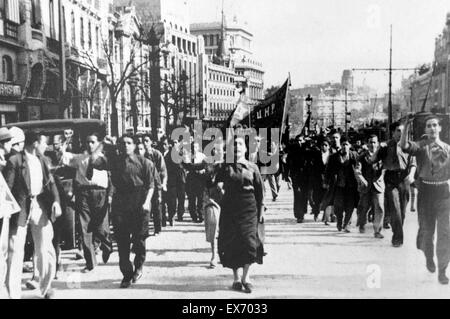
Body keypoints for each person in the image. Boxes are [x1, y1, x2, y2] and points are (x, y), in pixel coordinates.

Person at [3, 131, 62, 299]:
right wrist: (8, 211)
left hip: (40, 206)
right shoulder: (15, 161)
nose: (46, 146)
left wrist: (56, 202)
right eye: (44, 143)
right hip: (20, 208)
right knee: (16, 251)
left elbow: (51, 183)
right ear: (35, 143)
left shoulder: (43, 160)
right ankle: (13, 294)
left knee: (45, 247)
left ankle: (45, 288)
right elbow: (7, 187)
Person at [401, 115, 450, 285]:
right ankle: (429, 256)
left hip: (444, 193)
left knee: (445, 233)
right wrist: (406, 127)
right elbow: (405, 146)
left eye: (435, 125)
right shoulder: (421, 147)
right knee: (427, 232)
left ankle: (443, 270)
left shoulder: (448, 149)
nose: (432, 128)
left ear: (440, 128)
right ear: (426, 130)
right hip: (426, 193)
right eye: (429, 126)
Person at [215, 135, 264, 293]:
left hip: (249, 208)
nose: (237, 147)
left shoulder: (252, 167)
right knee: (232, 242)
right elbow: (214, 184)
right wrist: (220, 191)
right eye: (234, 145)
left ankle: (246, 277)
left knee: (250, 243)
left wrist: (261, 211)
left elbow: (260, 192)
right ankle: (236, 278)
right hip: (230, 208)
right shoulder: (224, 167)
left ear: (245, 148)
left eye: (240, 144)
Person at [61, 133, 113, 273]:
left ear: (99, 143)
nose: (90, 145)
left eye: (93, 142)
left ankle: (107, 244)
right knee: (85, 228)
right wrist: (65, 143)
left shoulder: (105, 159)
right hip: (83, 193)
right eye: (88, 142)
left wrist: (110, 195)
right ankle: (90, 262)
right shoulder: (80, 158)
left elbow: (112, 176)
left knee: (101, 226)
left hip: (99, 193)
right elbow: (65, 157)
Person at [109, 135, 155, 288]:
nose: (125, 146)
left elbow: (150, 185)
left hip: (139, 202)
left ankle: (139, 266)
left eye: (129, 143)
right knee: (122, 240)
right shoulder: (115, 163)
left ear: (135, 145)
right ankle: (126, 274)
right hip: (121, 203)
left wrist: (147, 202)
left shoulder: (145, 163)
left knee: (139, 240)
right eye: (122, 143)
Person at [372, 122, 416, 247]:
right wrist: (378, 149)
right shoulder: (386, 146)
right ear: (392, 132)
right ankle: (397, 239)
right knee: (395, 208)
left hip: (404, 179)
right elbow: (372, 160)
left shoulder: (408, 146)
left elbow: (413, 163)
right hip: (391, 179)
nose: (401, 133)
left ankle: (397, 230)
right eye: (398, 130)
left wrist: (411, 174)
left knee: (402, 211)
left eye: (403, 131)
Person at [325, 137, 359, 232]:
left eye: (347, 144)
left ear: (350, 146)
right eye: (343, 144)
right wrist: (326, 182)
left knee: (350, 206)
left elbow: (359, 168)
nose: (344, 146)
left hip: (351, 186)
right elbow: (328, 170)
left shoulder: (355, 156)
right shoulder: (334, 157)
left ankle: (347, 224)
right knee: (338, 206)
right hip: (338, 186)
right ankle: (339, 221)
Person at [355, 135, 385, 238]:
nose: (372, 144)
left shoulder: (382, 156)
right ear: (367, 144)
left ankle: (377, 231)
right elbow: (358, 171)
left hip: (378, 185)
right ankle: (362, 224)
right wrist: (363, 180)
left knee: (380, 207)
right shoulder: (362, 157)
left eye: (374, 142)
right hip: (366, 186)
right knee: (364, 207)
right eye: (370, 142)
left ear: (377, 143)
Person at [204, 140, 225, 269]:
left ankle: (223, 253)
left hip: (227, 199)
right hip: (212, 198)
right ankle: (214, 255)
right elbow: (193, 167)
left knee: (225, 227)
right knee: (213, 225)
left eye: (219, 149)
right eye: (214, 150)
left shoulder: (229, 165)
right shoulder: (208, 163)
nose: (216, 152)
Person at [143, 135, 167, 233]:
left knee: (157, 205)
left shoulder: (156, 154)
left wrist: (162, 184)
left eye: (146, 141)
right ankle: (144, 229)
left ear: (150, 142)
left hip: (155, 182)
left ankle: (158, 228)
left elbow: (162, 170)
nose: (145, 143)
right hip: (144, 185)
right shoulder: (139, 153)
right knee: (145, 207)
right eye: (143, 141)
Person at [287, 135, 310, 223]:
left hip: (305, 176)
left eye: (301, 140)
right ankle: (298, 214)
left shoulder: (307, 150)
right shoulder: (292, 151)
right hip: (296, 175)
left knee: (304, 195)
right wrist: (287, 175)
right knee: (297, 194)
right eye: (297, 141)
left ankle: (303, 212)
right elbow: (288, 163)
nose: (299, 142)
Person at [163, 139, 186, 225]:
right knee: (172, 200)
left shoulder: (182, 154)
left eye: (176, 143)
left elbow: (187, 165)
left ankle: (180, 214)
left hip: (181, 179)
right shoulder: (167, 156)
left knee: (181, 198)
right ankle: (171, 216)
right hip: (171, 180)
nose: (174, 145)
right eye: (173, 143)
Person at [185, 141, 207, 223]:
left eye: (196, 147)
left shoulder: (202, 156)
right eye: (192, 147)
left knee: (200, 198)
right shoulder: (188, 156)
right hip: (191, 180)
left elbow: (205, 166)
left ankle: (201, 215)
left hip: (200, 180)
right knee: (192, 199)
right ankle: (193, 215)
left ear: (198, 148)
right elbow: (187, 167)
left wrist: (203, 170)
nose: (194, 148)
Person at [310, 138, 331, 223]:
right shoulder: (316, 155)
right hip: (318, 180)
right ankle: (316, 213)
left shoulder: (332, 156)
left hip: (328, 180)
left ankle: (326, 217)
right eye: (323, 145)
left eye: (326, 145)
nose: (324, 147)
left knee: (327, 198)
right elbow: (313, 167)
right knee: (317, 198)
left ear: (329, 146)